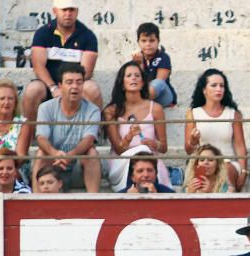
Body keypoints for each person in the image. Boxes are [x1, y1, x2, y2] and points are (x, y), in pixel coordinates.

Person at [22, 0, 102, 122]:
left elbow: (87, 71)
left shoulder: (88, 35)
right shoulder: (43, 33)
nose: (68, 13)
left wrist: (68, 87)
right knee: (33, 90)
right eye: (64, 10)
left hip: (75, 84)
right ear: (55, 11)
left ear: (77, 12)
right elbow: (38, 67)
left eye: (71, 10)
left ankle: (93, 136)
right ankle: (29, 136)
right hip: (49, 86)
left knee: (92, 89)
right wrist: (54, 88)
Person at [32, 63, 101, 193]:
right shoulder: (46, 108)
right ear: (60, 86)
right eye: (69, 82)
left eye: (79, 82)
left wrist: (69, 156)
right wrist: (55, 154)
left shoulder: (93, 110)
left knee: (92, 153)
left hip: (78, 166)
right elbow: (41, 137)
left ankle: (93, 203)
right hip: (52, 165)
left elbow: (89, 139)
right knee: (41, 154)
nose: (74, 86)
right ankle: (36, 201)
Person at [102, 61, 171, 191]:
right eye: (129, 76)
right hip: (122, 162)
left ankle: (158, 194)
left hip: (149, 160)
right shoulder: (111, 111)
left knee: (152, 161)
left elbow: (164, 147)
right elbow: (118, 150)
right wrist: (129, 136)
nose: (133, 78)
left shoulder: (156, 108)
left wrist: (154, 144)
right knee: (142, 155)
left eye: (137, 75)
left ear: (143, 82)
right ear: (122, 83)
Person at [185, 69, 247, 191]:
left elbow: (240, 146)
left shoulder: (233, 114)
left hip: (227, 161)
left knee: (226, 170)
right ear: (204, 90)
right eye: (214, 85)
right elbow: (188, 150)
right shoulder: (193, 113)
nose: (219, 89)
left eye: (222, 86)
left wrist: (244, 171)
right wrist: (193, 141)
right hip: (202, 161)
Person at [131, 22, 176, 107]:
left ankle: (138, 103)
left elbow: (159, 82)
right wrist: (139, 64)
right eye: (144, 41)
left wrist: (141, 66)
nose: (148, 44)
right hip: (143, 95)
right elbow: (136, 82)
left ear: (158, 41)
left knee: (158, 83)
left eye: (152, 41)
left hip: (163, 97)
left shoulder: (163, 57)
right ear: (138, 42)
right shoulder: (137, 57)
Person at [0, 79, 32, 159]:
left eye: (10, 98)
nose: (6, 102)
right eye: (2, 98)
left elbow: (20, 158)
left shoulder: (23, 124)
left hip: (14, 169)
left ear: (15, 102)